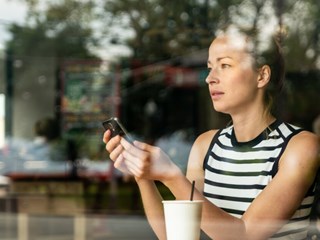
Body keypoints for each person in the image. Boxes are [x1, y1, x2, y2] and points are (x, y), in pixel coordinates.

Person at [103, 24, 319, 239]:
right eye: (209, 68)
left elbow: (244, 235)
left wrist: (171, 176)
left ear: (261, 76)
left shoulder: (300, 148)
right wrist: (144, 176)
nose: (210, 78)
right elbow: (175, 235)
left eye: (224, 65)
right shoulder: (206, 146)